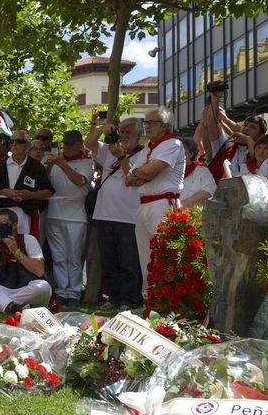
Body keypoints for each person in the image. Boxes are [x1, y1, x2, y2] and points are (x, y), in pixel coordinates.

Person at [85, 116, 144, 310]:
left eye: (129, 132)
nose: (124, 136)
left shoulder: (144, 154)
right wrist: (103, 128)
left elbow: (134, 179)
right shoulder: (108, 150)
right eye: (122, 132)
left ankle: (130, 299)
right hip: (105, 214)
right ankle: (115, 298)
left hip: (129, 216)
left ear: (139, 135)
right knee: (110, 261)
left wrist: (121, 157)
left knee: (129, 261)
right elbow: (88, 143)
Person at [123, 107, 185, 289]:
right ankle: (149, 299)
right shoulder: (148, 149)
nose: (146, 126)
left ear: (164, 126)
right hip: (144, 204)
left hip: (163, 202)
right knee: (146, 256)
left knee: (165, 254)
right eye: (145, 122)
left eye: (151, 122)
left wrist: (138, 172)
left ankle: (166, 298)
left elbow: (149, 171)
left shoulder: (173, 144)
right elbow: (129, 179)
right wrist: (139, 173)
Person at [45, 130, 93, 306]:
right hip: (54, 214)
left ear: (80, 144)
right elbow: (45, 181)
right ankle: (60, 290)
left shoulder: (87, 162)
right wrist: (51, 164)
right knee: (58, 257)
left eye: (70, 144)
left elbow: (80, 181)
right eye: (65, 144)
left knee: (74, 257)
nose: (66, 147)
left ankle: (73, 291)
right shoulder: (56, 160)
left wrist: (62, 164)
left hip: (75, 216)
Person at [0, 129, 54, 237]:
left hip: (26, 214)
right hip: (4, 213)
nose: (14, 144)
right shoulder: (1, 166)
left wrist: (31, 195)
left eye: (18, 141)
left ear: (27, 145)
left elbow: (49, 191)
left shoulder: (36, 167)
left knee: (25, 246)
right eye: (11, 141)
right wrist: (5, 192)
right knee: (3, 247)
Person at [180, 137, 216, 208]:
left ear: (191, 154)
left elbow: (208, 192)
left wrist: (180, 206)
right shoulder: (167, 174)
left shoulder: (202, 171)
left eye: (181, 150)